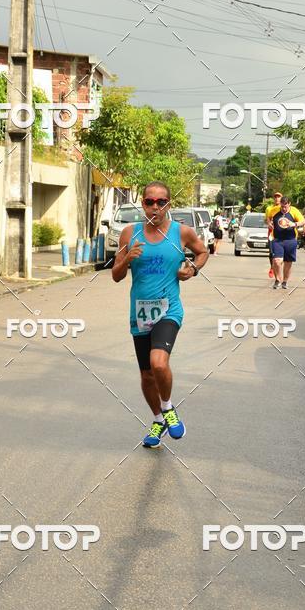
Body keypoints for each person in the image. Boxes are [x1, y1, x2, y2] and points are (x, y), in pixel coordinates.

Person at [112, 181, 209, 448]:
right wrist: (127, 258)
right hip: (139, 313)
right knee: (146, 376)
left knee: (158, 364)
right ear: (142, 203)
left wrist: (192, 268)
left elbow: (202, 252)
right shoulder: (129, 233)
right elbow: (116, 276)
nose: (155, 207)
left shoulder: (182, 232)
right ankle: (158, 420)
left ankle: (167, 408)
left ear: (169, 204)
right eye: (149, 202)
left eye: (161, 202)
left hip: (169, 310)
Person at [267, 195, 304, 289]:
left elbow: (302, 221)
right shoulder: (274, 210)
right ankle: (278, 280)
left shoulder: (294, 211)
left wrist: (294, 224)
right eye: (282, 206)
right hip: (277, 240)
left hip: (290, 239)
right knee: (276, 261)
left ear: (289, 204)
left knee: (288, 262)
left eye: (285, 207)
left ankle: (285, 281)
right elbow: (268, 218)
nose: (283, 209)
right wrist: (269, 223)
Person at [265, 191, 283, 279]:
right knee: (271, 253)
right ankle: (272, 268)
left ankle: (278, 268)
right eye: (275, 197)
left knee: (281, 255)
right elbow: (266, 220)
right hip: (272, 233)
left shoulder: (284, 208)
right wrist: (269, 223)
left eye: (278, 197)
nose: (277, 198)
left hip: (282, 234)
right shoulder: (269, 209)